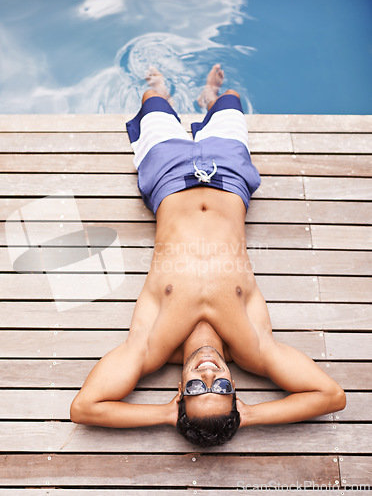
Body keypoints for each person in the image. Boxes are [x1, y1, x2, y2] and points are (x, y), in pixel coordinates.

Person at [70, 64, 346, 447]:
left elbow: (85, 407)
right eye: (220, 386)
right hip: (229, 175)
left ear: (180, 391)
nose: (208, 372)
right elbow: (331, 396)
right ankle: (210, 98)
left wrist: (169, 415)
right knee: (230, 102)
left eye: (198, 388)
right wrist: (246, 416)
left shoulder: (150, 347)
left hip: (167, 176)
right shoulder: (253, 347)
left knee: (153, 101)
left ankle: (159, 86)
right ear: (235, 387)